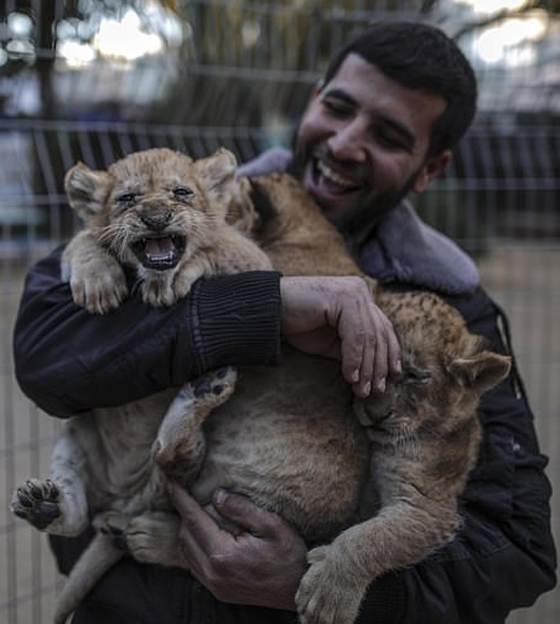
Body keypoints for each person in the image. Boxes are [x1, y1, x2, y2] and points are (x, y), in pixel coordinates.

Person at [13, 21, 556, 624]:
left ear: (432, 168)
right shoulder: (185, 206)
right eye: (339, 107)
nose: (347, 143)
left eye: (389, 136)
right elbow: (43, 358)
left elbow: (518, 547)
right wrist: (259, 311)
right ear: (313, 97)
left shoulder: (448, 312)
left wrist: (317, 586)